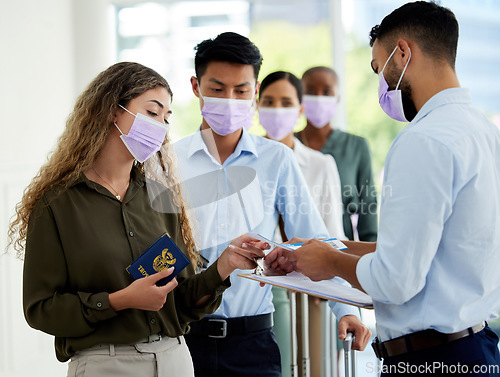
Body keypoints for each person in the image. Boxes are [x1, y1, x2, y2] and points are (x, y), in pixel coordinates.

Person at [266, 1, 500, 374]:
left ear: (403, 52)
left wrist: (330, 262)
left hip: (432, 359)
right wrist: (333, 246)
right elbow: (434, 248)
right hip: (474, 347)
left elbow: (396, 280)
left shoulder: (424, 140)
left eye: (379, 68)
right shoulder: (484, 132)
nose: (382, 84)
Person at [7, 62, 270, 377]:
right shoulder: (57, 205)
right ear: (111, 111)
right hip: (106, 364)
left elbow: (181, 303)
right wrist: (118, 301)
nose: (161, 125)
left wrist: (225, 264)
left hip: (175, 358)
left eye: (166, 117)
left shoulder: (163, 198)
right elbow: (40, 310)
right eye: (152, 112)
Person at [174, 32, 370, 377]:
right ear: (195, 86)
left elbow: (313, 237)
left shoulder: (276, 159)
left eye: (241, 90)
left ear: (255, 89)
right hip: (183, 341)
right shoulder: (169, 161)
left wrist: (345, 310)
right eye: (217, 90)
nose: (230, 100)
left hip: (254, 343)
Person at [258, 70, 354, 377]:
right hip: (263, 289)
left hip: (314, 288)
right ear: (257, 106)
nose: (277, 109)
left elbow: (332, 234)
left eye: (286, 102)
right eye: (269, 101)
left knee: (317, 366)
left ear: (300, 109)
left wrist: (340, 296)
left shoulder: (321, 164)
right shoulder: (246, 163)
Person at [297, 66, 378, 242]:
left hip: (340, 249)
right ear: (299, 98)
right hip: (289, 248)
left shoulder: (356, 146)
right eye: (310, 91)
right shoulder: (288, 146)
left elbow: (368, 205)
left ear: (337, 99)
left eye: (326, 91)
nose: (319, 98)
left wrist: (368, 256)